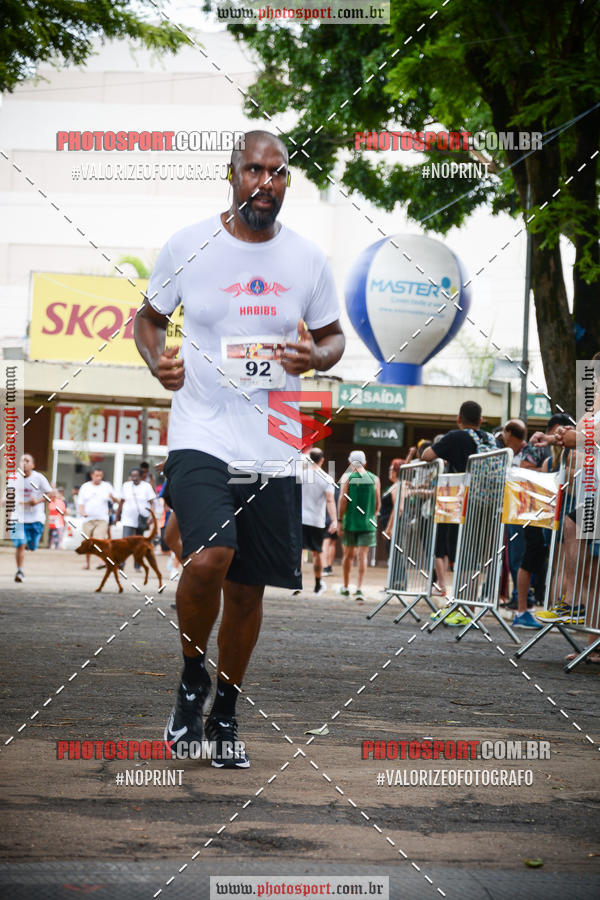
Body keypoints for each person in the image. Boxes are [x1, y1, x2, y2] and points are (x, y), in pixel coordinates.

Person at [134, 130, 344, 767]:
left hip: (274, 431)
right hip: (201, 427)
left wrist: (316, 355)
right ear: (232, 174)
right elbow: (147, 318)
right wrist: (156, 361)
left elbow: (335, 338)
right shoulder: (188, 244)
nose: (264, 183)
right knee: (209, 557)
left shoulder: (308, 260)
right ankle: (192, 676)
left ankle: (224, 712)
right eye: (253, 170)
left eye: (276, 174)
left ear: (286, 183)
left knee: (249, 589)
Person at [423, 402, 495, 625]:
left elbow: (427, 455)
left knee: (463, 557)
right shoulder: (490, 439)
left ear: (459, 418)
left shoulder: (456, 436)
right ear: (481, 420)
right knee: (473, 557)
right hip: (489, 504)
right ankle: (469, 608)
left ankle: (462, 610)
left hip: (463, 505)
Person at [511, 414, 572, 629]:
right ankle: (524, 609)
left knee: (558, 565)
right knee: (539, 562)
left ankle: (556, 609)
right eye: (561, 429)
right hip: (539, 513)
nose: (563, 433)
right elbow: (525, 473)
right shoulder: (543, 452)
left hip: (553, 515)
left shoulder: (563, 453)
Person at [338, 450, 380, 599]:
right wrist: (370, 516)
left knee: (348, 555)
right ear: (365, 463)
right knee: (363, 556)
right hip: (367, 524)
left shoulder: (347, 477)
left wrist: (339, 520)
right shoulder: (374, 479)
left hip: (350, 523)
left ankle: (345, 587)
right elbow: (378, 504)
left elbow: (343, 501)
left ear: (351, 463)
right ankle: (359, 588)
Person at [12, 453, 54, 583]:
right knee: (20, 544)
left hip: (35, 519)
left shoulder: (39, 478)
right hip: (18, 518)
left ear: (33, 465)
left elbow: (51, 494)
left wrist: (38, 501)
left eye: (27, 460)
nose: (24, 463)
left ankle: (30, 545)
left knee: (32, 545)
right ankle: (20, 571)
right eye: (22, 461)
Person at [301, 449, 337, 595]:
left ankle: (297, 583)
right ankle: (317, 584)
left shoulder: (300, 475)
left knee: (299, 552)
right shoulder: (327, 478)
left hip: (300, 518)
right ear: (322, 460)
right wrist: (334, 520)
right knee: (317, 552)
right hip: (317, 520)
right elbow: (329, 500)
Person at [116, 467, 159, 570]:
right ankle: (121, 563)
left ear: (141, 476)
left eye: (136, 476)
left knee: (139, 544)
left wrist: (151, 516)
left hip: (141, 519)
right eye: (132, 476)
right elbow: (122, 501)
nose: (134, 478)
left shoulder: (146, 486)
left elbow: (153, 502)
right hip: (128, 518)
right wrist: (117, 514)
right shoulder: (126, 486)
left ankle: (137, 565)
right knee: (125, 541)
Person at [77, 467, 119, 570]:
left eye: (100, 475)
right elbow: (80, 503)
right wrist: (82, 512)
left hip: (102, 519)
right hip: (88, 519)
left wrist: (112, 497)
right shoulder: (85, 487)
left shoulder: (107, 486)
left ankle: (101, 561)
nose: (99, 478)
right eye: (97, 475)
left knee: (99, 539)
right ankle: (87, 564)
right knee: (87, 542)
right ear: (92, 475)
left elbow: (117, 500)